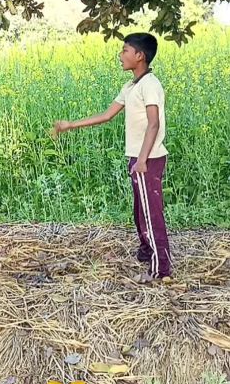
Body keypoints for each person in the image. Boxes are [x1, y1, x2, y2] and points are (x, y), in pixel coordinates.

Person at [52, 32, 171, 282]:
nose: (120, 55)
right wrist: (70, 125)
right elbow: (107, 115)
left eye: (125, 50)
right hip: (137, 158)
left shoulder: (150, 85)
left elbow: (153, 124)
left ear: (140, 56)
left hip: (148, 159)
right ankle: (146, 251)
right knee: (140, 210)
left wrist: (142, 159)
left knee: (151, 212)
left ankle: (161, 268)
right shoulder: (131, 86)